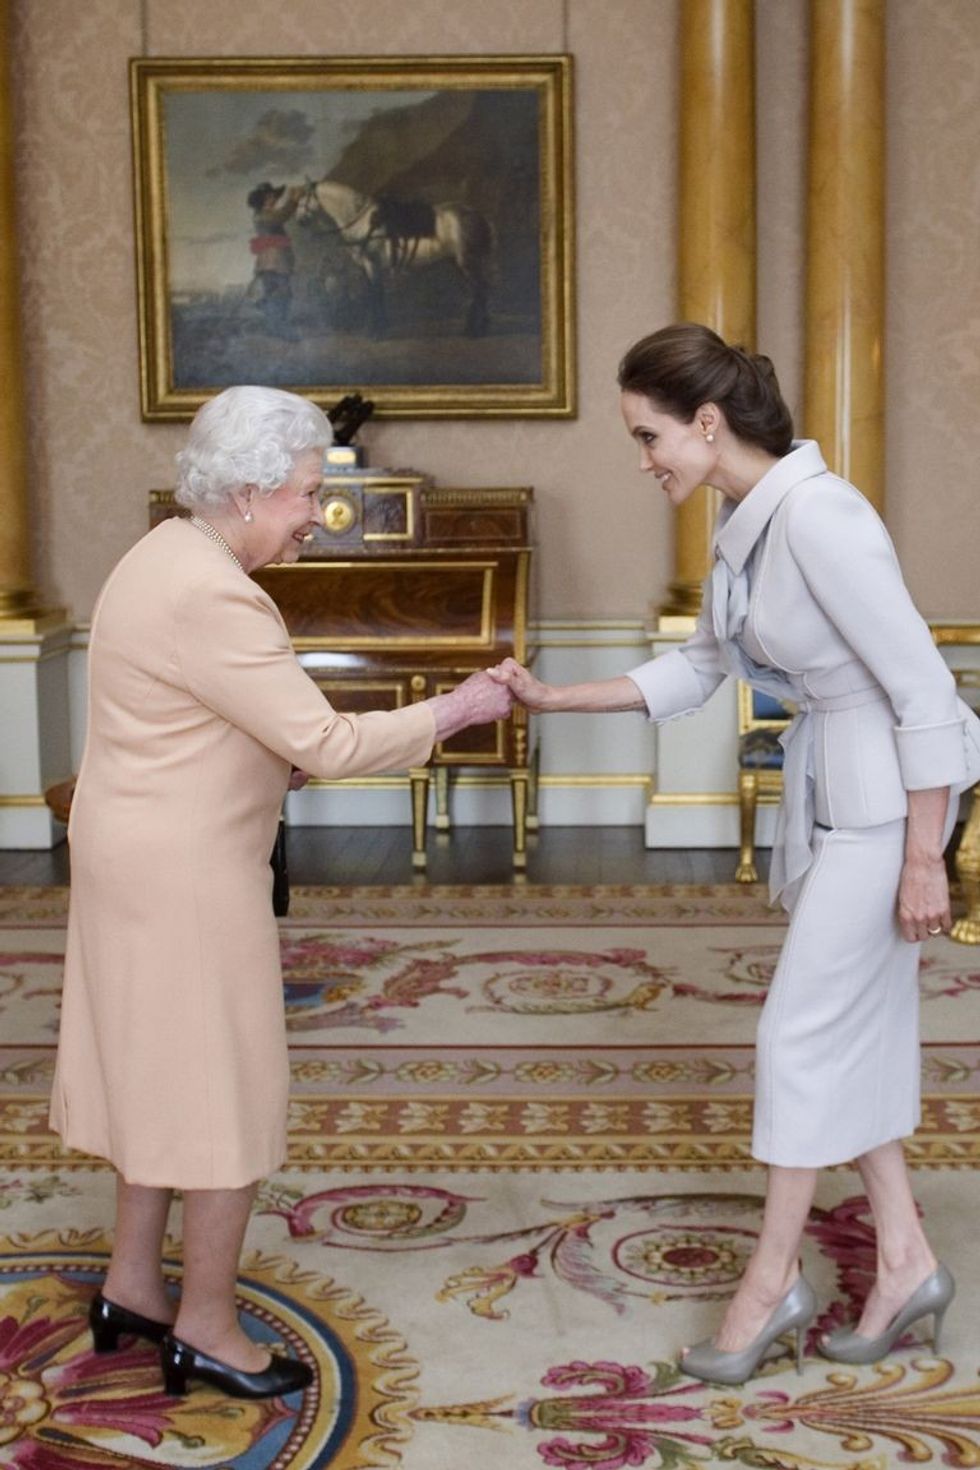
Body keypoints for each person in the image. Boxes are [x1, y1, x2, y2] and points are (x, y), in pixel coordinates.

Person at [490, 323, 980, 1385]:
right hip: (838, 803)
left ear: (706, 424)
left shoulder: (821, 517)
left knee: (795, 1038)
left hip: (883, 815)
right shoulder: (744, 523)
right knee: (846, 1032)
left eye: (648, 435)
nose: (642, 460)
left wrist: (922, 858)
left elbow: (925, 692)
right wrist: (554, 696)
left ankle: (769, 1284)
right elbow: (699, 668)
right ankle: (905, 1261)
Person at [50, 385, 512, 1400]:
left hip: (135, 855)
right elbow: (330, 742)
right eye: (306, 492)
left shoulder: (161, 555)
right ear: (252, 491)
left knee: (159, 1076)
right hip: (185, 875)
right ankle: (208, 1327)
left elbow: (193, 719)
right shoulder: (215, 592)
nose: (315, 514)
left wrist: (274, 761)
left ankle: (133, 1288)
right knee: (226, 1092)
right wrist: (457, 708)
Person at [246, 182, 302, 338]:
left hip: (275, 260)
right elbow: (281, 216)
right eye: (269, 196)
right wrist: (294, 200)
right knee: (282, 293)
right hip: (273, 261)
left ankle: (274, 326)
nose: (273, 199)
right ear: (262, 200)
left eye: (273, 196)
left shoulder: (267, 214)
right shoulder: (262, 215)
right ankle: (280, 329)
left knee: (276, 294)